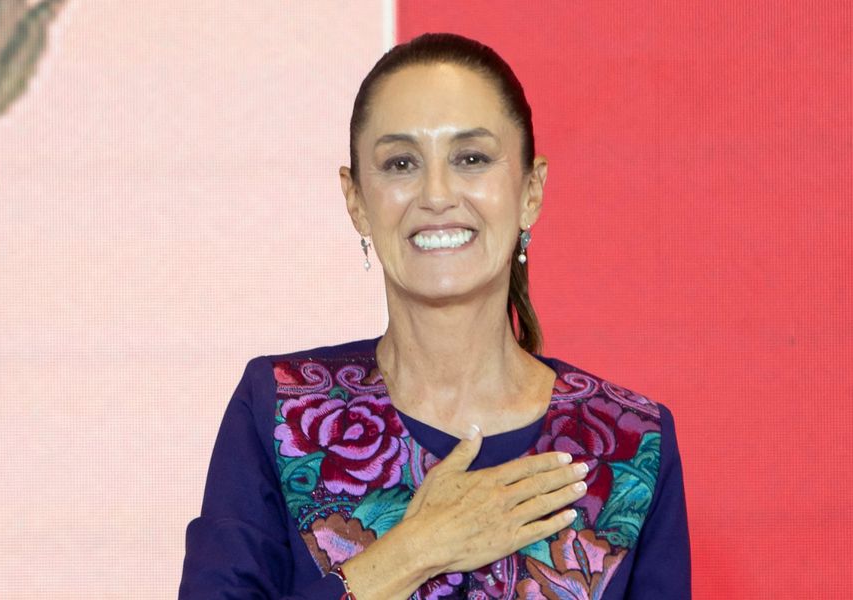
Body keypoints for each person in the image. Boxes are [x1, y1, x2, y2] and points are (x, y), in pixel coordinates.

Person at [179, 32, 690, 599]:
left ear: (531, 191)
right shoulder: (279, 411)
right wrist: (414, 551)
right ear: (355, 200)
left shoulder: (632, 441)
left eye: (470, 158)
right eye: (401, 163)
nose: (437, 193)